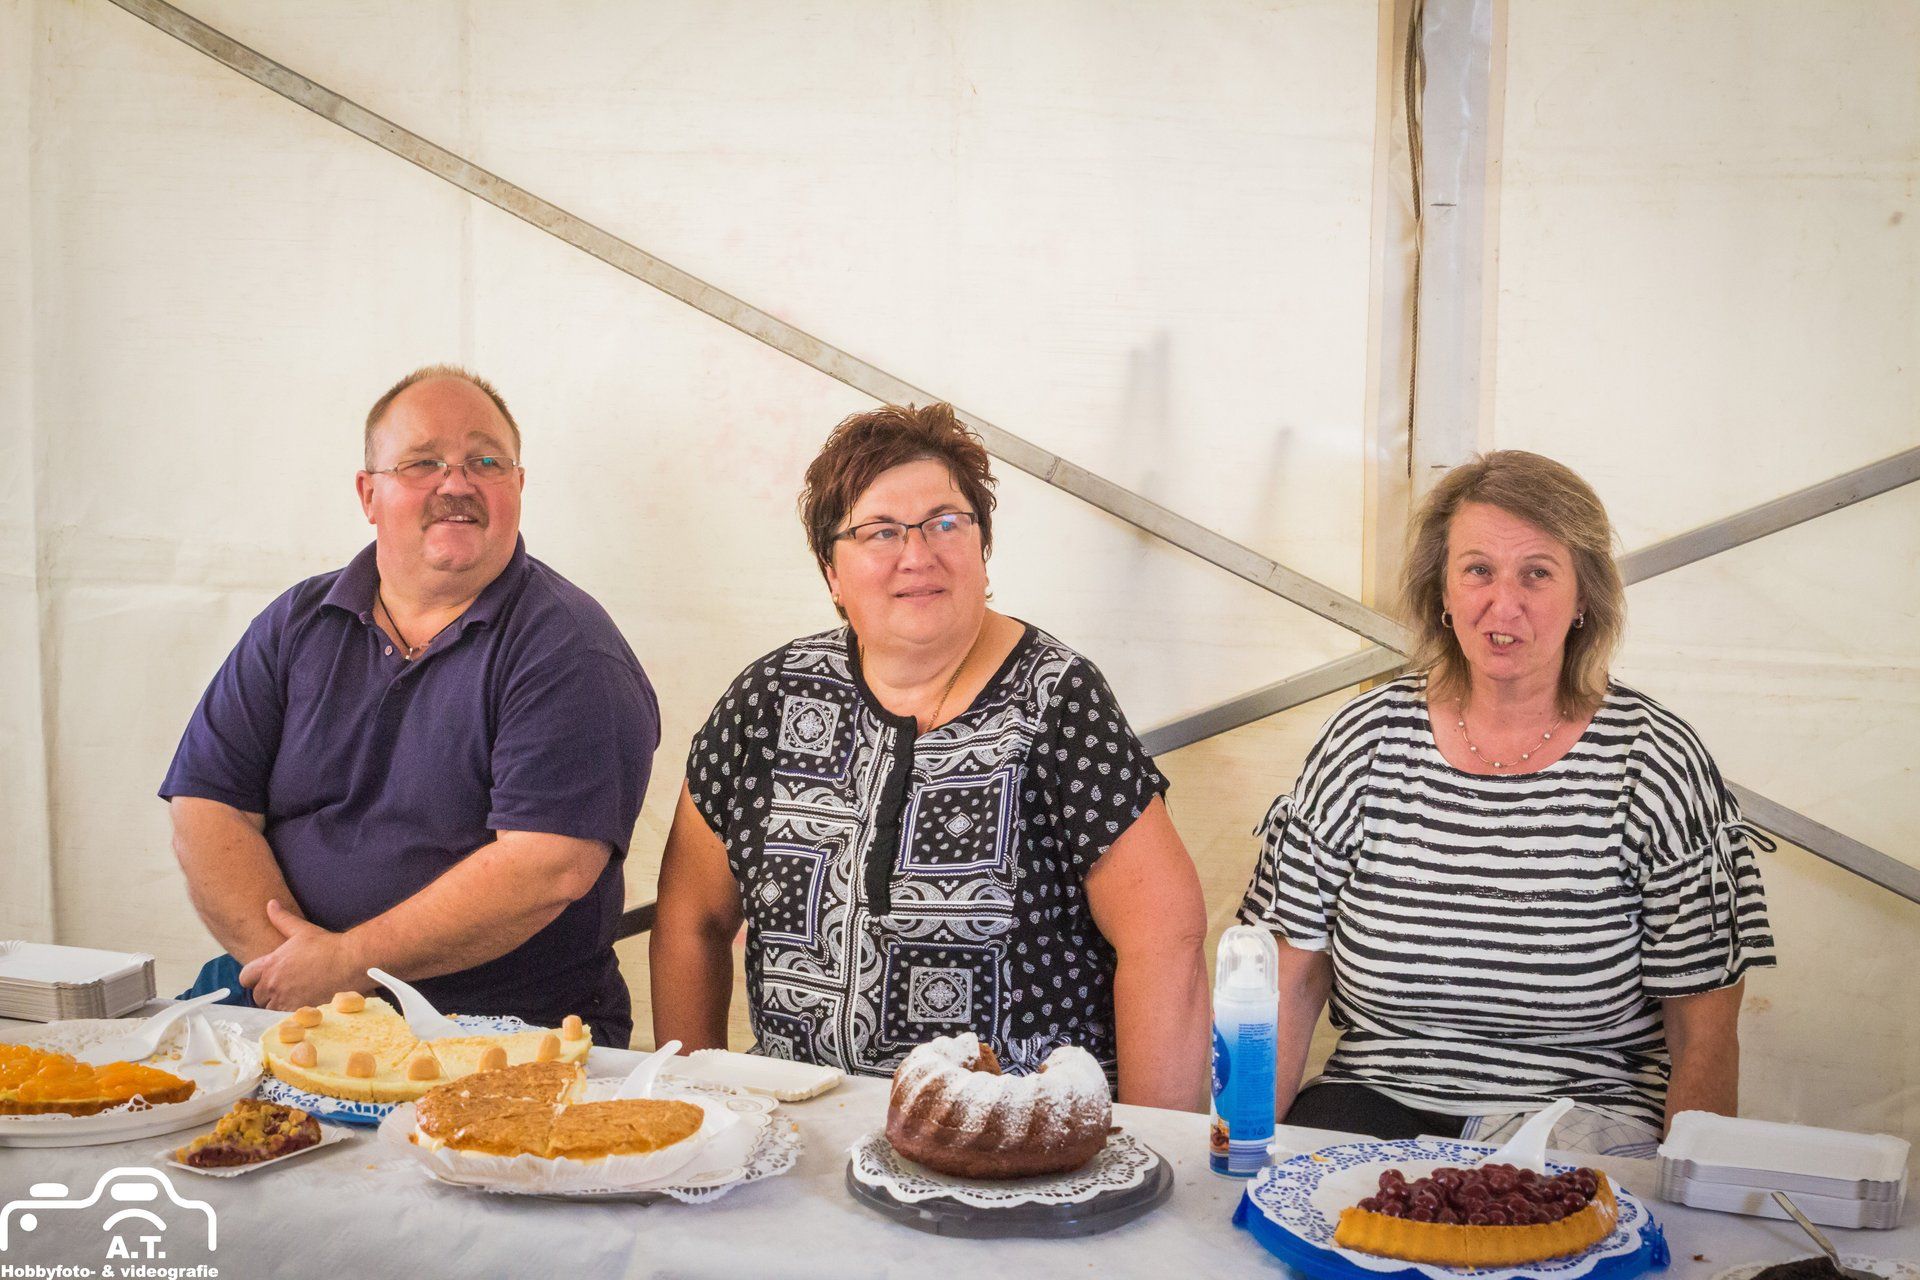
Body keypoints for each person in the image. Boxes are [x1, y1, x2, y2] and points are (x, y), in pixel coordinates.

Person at [651, 402, 1209, 1108]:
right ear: (831, 571)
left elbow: (1165, 939)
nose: (917, 555)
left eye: (946, 522)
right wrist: (697, 1112)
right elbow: (691, 922)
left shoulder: (1057, 700)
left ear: (983, 548)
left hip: (1015, 1134)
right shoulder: (770, 699)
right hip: (799, 1124)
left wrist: (1155, 1148)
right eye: (880, 531)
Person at [1239, 450, 1775, 1155]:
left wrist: (1687, 1192)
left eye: (1537, 573)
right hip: (1374, 1100)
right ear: (1442, 590)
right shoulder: (1364, 742)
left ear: (1584, 598)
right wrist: (1236, 1153)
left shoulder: (1654, 761)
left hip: (1586, 1120)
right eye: (1478, 570)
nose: (1504, 604)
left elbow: (1704, 1031)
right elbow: (1287, 980)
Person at [160, 366, 658, 1047]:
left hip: (495, 1028)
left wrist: (345, 964)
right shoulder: (295, 622)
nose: (457, 484)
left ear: (518, 486)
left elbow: (548, 866)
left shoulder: (569, 649)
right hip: (279, 993)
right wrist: (293, 969)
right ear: (369, 494)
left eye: (486, 462)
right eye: (423, 462)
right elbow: (207, 807)